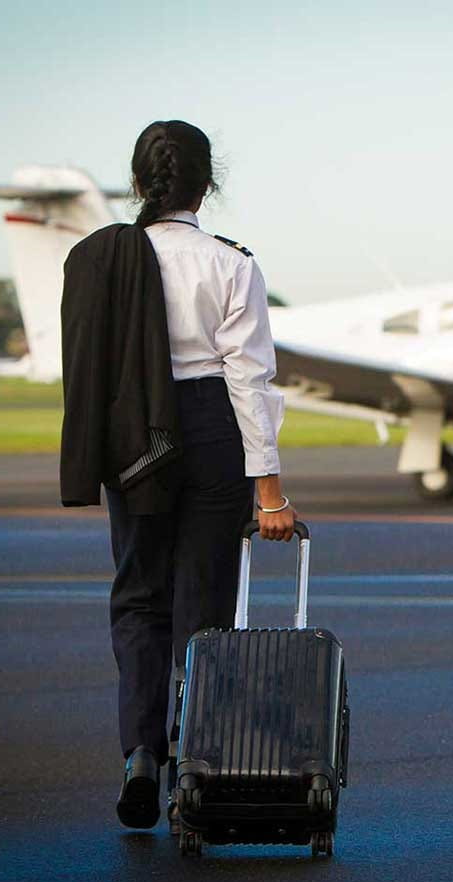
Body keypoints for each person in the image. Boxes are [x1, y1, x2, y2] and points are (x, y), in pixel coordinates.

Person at [59, 119, 294, 830]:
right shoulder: (232, 264)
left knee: (139, 597)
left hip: (136, 436)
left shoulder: (101, 257)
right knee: (204, 603)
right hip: (209, 429)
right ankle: (194, 763)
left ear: (139, 182)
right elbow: (251, 381)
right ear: (206, 184)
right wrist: (272, 492)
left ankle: (139, 752)